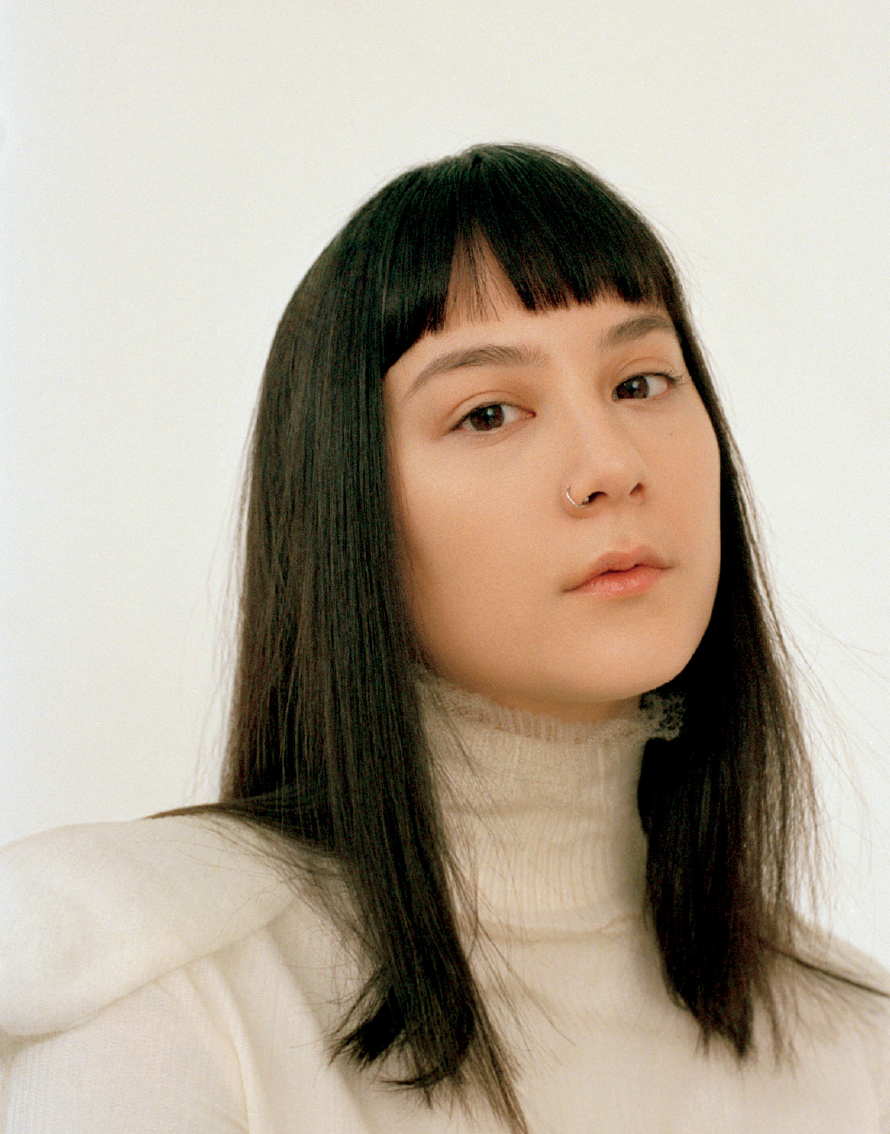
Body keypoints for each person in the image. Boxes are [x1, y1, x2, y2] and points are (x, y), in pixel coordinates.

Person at [1, 143, 887, 1133]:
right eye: (488, 412)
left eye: (640, 383)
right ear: (346, 511)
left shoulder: (859, 1050)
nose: (609, 464)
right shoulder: (156, 986)